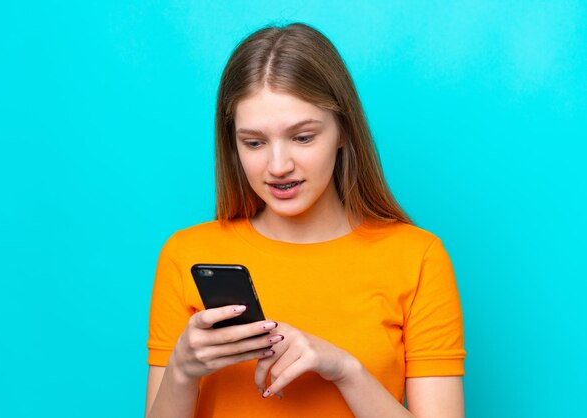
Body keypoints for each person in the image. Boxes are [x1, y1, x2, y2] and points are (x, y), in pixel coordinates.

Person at [145, 22, 466, 418]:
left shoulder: (418, 258)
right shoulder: (186, 255)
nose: (278, 166)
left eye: (302, 137)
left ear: (343, 131)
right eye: (254, 142)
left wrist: (345, 371)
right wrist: (181, 370)